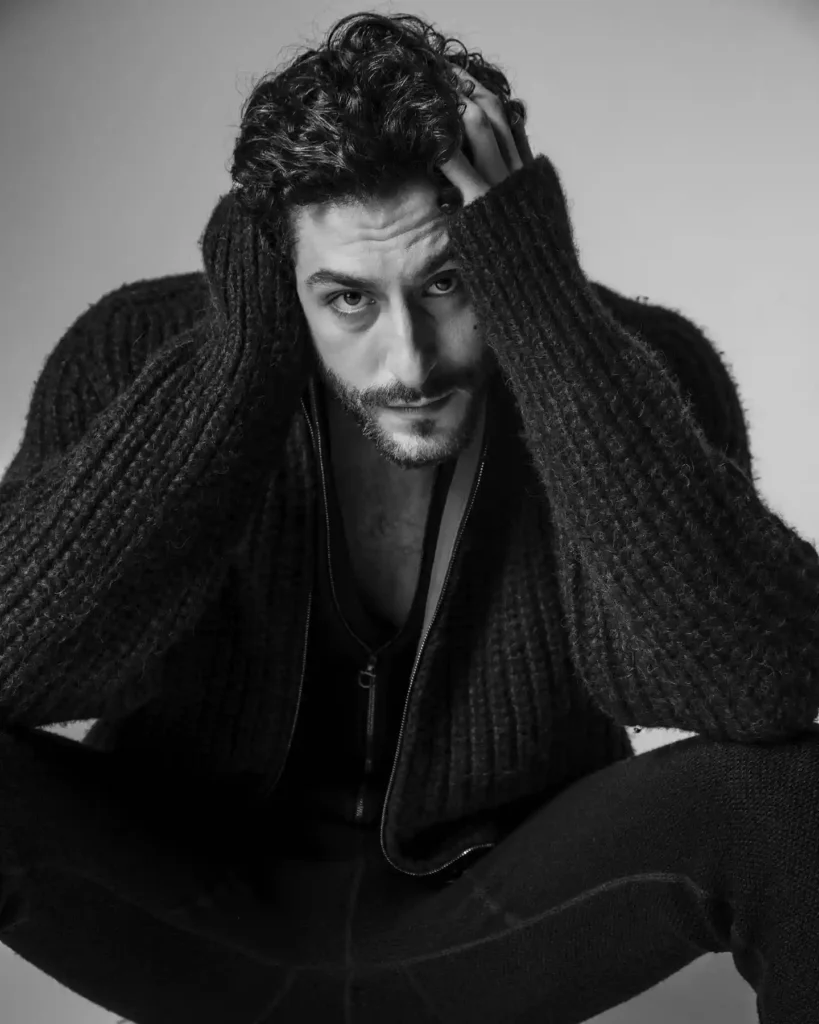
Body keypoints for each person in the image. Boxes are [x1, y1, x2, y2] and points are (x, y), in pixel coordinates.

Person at [1, 9, 818, 1023]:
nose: (409, 361)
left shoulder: (634, 366)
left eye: (447, 282)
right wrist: (236, 369)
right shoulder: (132, 351)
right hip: (191, 898)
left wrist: (548, 315)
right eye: (347, 299)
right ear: (280, 272)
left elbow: (768, 689)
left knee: (796, 798)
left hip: (492, 919)